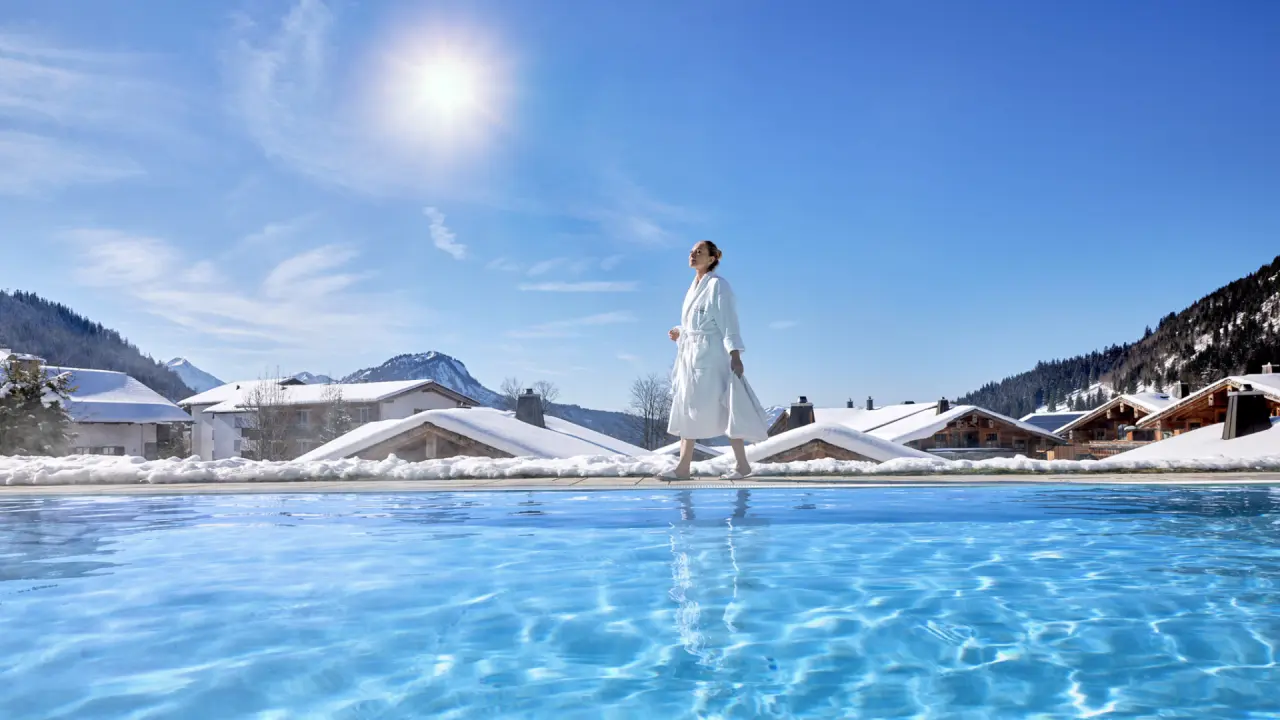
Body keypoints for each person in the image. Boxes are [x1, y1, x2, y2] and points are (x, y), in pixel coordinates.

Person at [661, 240, 769, 480]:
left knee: (728, 405)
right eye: (691, 251)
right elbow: (697, 323)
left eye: (699, 251)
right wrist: (680, 331)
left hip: (711, 357)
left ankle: (740, 465)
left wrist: (735, 354)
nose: (693, 254)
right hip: (692, 356)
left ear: (712, 259)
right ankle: (684, 467)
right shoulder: (694, 287)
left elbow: (728, 322)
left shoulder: (718, 286)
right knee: (688, 406)